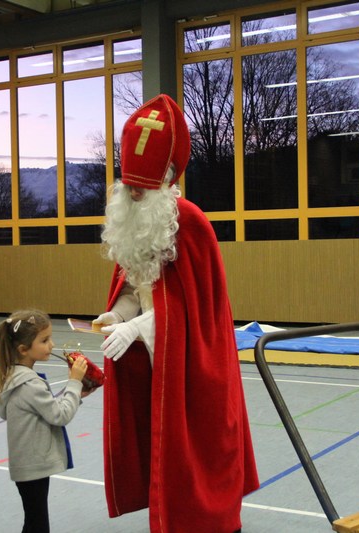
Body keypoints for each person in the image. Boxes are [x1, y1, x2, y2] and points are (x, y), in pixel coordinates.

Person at [92, 94, 259, 533]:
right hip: (159, 363)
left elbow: (194, 314)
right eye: (129, 184)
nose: (132, 193)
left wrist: (137, 328)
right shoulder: (137, 221)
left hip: (195, 371)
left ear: (166, 179)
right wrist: (119, 316)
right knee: (164, 458)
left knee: (202, 467)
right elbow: (136, 285)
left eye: (141, 187)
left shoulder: (191, 223)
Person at [0, 309, 89, 533]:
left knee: (34, 520)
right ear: (23, 349)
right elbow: (60, 415)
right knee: (37, 523)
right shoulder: (29, 383)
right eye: (44, 340)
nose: (51, 345)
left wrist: (75, 393)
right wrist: (74, 382)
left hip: (27, 465)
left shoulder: (13, 377)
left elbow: (45, 409)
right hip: (33, 466)